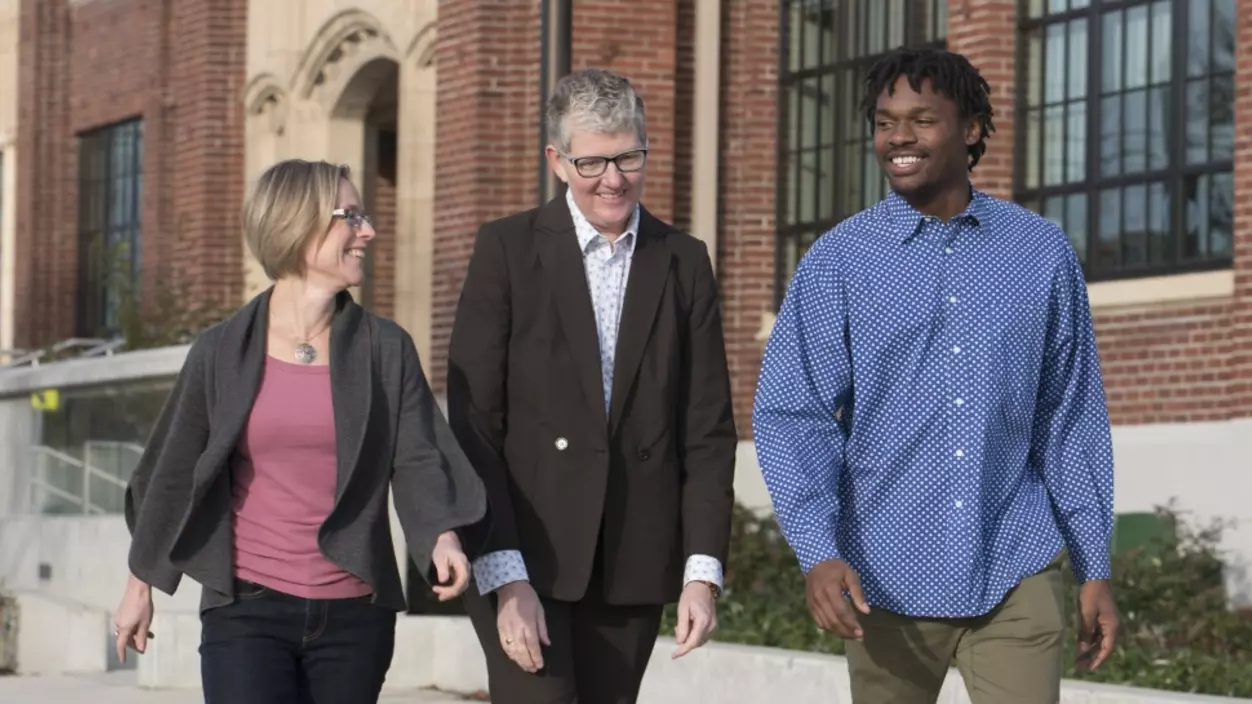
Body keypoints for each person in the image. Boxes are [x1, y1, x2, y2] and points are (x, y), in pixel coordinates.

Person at [753, 47, 1121, 703]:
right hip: (884, 580)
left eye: (922, 119)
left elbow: (1067, 418)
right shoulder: (839, 262)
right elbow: (792, 414)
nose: (898, 136)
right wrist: (817, 550)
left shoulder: (1039, 252)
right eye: (885, 120)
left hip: (1016, 566)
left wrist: (1094, 565)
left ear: (971, 128)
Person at [111, 159, 488, 704]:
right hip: (246, 609)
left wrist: (441, 535)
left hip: (356, 615)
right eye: (351, 216)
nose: (369, 231)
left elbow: (418, 457)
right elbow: (171, 472)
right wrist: (138, 585)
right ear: (299, 224)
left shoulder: (386, 349)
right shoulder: (220, 353)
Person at [447, 67, 737, 704]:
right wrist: (503, 574)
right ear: (556, 160)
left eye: (629, 157)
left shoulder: (683, 261)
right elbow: (474, 428)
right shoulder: (507, 250)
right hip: (525, 555)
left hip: (633, 559)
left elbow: (708, 428)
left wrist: (701, 574)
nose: (614, 179)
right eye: (593, 162)